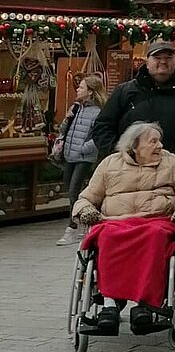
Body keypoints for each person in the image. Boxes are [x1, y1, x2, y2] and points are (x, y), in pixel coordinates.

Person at [72, 121, 175, 335]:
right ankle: (109, 306)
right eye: (153, 141)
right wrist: (85, 210)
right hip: (115, 222)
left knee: (155, 237)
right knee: (107, 236)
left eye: (159, 141)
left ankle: (144, 305)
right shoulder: (109, 164)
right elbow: (86, 197)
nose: (160, 146)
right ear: (135, 146)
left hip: (156, 222)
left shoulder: (170, 162)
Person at [90, 39, 175, 173]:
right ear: (147, 62)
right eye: (157, 57)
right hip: (127, 173)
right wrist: (120, 156)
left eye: (168, 57)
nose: (163, 62)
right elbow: (102, 126)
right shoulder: (125, 91)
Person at [53, 75, 107, 247]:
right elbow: (63, 130)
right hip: (69, 155)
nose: (78, 90)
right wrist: (67, 118)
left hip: (84, 157)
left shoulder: (98, 112)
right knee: (70, 188)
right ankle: (84, 221)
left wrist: (85, 149)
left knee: (74, 191)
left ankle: (72, 227)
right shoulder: (76, 108)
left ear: (90, 91)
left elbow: (99, 136)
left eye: (81, 87)